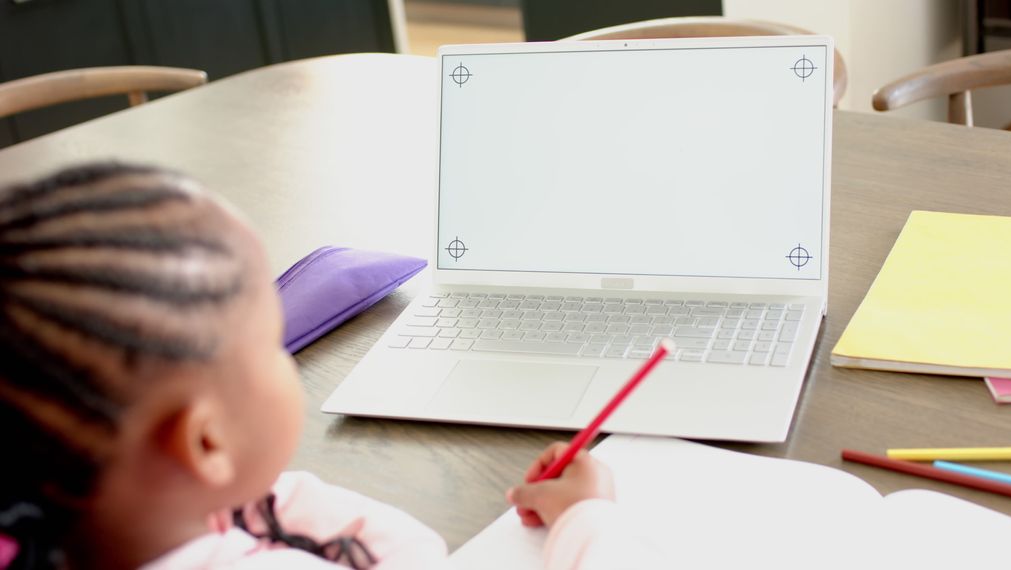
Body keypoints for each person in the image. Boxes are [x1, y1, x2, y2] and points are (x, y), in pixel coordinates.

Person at [0, 163, 657, 569]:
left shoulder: (88, 528)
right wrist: (589, 519)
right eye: (269, 339)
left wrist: (244, 491)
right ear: (207, 442)